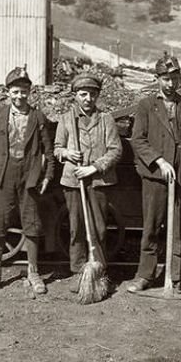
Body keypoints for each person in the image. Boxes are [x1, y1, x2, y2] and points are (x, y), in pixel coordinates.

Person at [127, 52, 181, 294]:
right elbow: (137, 140)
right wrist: (159, 160)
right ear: (157, 79)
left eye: (174, 78)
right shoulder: (147, 105)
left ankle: (179, 278)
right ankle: (145, 276)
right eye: (165, 79)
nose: (171, 84)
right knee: (151, 227)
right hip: (155, 177)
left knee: (180, 228)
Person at [0, 66, 55, 294]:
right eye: (15, 91)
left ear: (29, 92)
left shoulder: (37, 116)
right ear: (8, 93)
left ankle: (33, 272)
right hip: (3, 174)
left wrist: (48, 175)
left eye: (23, 91)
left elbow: (49, 150)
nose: (19, 96)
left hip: (29, 176)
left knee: (31, 224)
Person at [54, 73, 122, 294]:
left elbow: (115, 150)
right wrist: (66, 152)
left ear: (97, 96)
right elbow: (56, 149)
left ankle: (99, 272)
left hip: (99, 181)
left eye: (92, 94)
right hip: (74, 181)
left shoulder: (106, 119)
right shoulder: (66, 120)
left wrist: (94, 167)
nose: (88, 99)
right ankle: (78, 273)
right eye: (83, 94)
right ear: (75, 96)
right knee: (76, 228)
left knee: (99, 229)